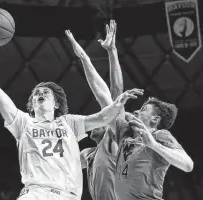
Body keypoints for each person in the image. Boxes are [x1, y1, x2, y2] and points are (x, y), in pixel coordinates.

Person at [0, 14, 144, 200]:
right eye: (36, 93)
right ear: (31, 105)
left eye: (46, 92)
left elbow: (105, 114)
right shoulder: (23, 122)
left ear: (56, 104)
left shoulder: (71, 123)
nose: (40, 94)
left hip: (67, 195)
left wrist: (117, 101)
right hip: (35, 193)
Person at [67, 20, 194, 200]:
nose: (135, 112)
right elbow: (106, 97)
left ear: (155, 120)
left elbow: (188, 165)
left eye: (142, 109)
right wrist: (95, 57)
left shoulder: (160, 136)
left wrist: (154, 145)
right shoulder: (125, 135)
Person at [65, 20, 121, 200]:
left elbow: (113, 93)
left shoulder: (113, 142)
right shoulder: (87, 154)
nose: (94, 123)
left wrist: (110, 53)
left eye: (102, 122)